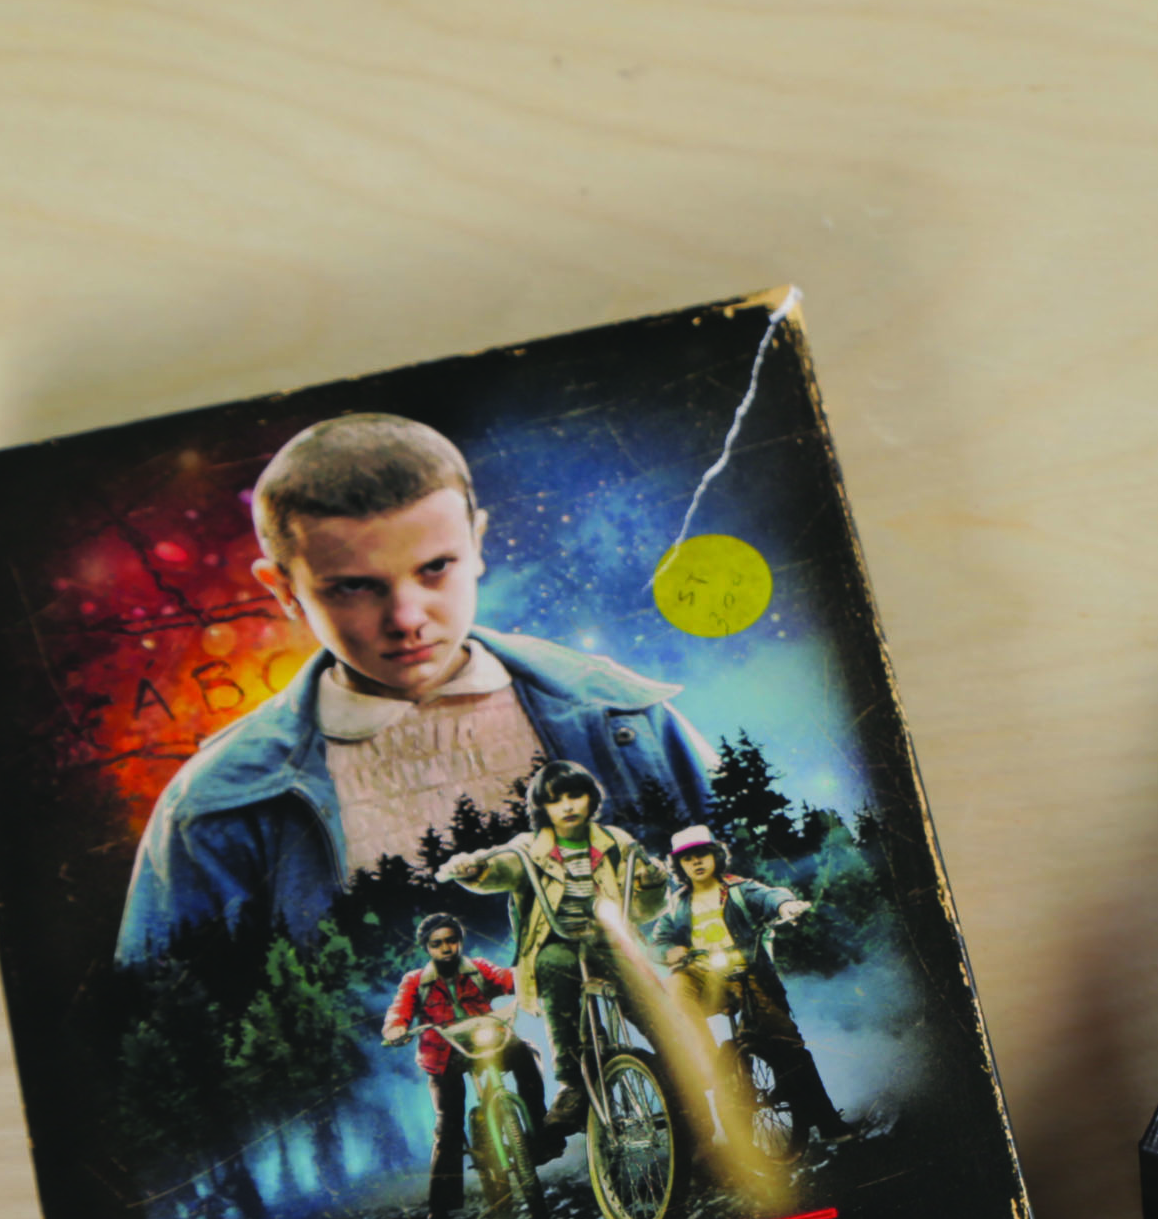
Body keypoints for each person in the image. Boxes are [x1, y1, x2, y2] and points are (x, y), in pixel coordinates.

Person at [117, 413, 716, 963]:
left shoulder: (620, 715)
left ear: (477, 545)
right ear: (283, 589)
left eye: (435, 568)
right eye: (354, 586)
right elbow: (166, 1021)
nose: (406, 618)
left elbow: (748, 883)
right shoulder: (214, 806)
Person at [437, 761, 665, 1140]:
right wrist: (473, 868)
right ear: (542, 808)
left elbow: (642, 908)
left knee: (648, 999)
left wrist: (651, 882)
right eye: (556, 800)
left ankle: (678, 1065)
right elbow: (501, 867)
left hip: (611, 938)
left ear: (591, 798)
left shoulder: (616, 842)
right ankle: (573, 1082)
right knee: (553, 964)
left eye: (575, 795)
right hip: (556, 939)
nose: (568, 806)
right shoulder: (529, 847)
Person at [647, 824, 852, 1148]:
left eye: (702, 854)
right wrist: (669, 951)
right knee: (676, 986)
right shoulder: (678, 904)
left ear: (715, 856)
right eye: (687, 858)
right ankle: (704, 1058)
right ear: (679, 866)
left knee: (786, 1041)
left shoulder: (739, 889)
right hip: (703, 976)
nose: (696, 862)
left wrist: (786, 906)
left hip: (746, 970)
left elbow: (770, 896)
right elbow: (659, 941)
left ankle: (827, 1120)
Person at [380, 913, 548, 1219]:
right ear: (427, 947)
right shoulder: (416, 981)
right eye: (437, 944)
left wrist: (531, 974)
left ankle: (540, 1135)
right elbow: (399, 1009)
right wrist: (396, 1027)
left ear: (460, 941)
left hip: (487, 1040)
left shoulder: (478, 969)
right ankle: (439, 1213)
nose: (446, 948)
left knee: (526, 1055)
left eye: (451, 940)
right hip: (444, 1054)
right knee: (448, 1127)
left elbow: (507, 978)